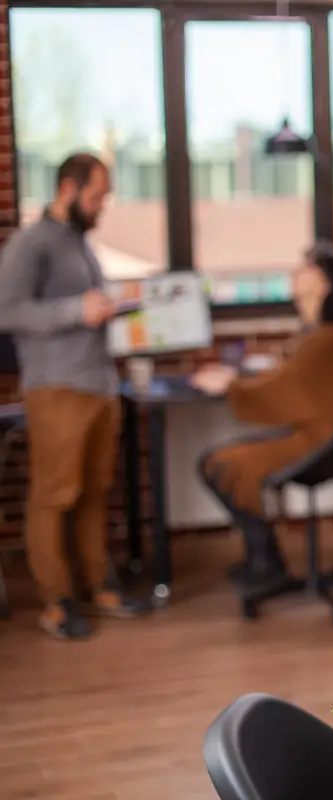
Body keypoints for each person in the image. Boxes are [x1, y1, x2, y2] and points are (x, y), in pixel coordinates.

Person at [0, 152, 151, 640]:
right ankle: (56, 601)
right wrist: (75, 310)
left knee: (92, 494)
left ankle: (95, 588)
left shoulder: (78, 243)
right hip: (57, 389)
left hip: (97, 386)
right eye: (96, 195)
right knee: (54, 496)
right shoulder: (31, 243)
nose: (102, 205)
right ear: (68, 188)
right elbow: (8, 311)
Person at [190, 248, 333, 593]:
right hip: (315, 435)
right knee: (218, 463)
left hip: (321, 442)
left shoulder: (327, 339)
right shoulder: (317, 334)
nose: (298, 271)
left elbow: (284, 389)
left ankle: (266, 561)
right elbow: (290, 380)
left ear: (324, 284)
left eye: (309, 268)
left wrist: (230, 385)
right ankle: (264, 557)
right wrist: (239, 380)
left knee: (221, 465)